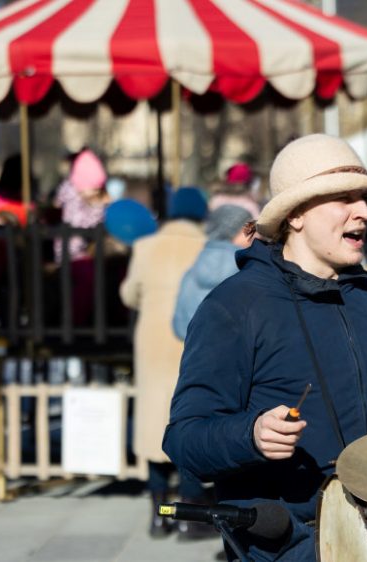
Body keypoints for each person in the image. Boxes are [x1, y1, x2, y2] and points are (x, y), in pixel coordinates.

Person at [162, 134, 367, 561]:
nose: (364, 211)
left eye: (364, 198)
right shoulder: (234, 306)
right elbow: (184, 440)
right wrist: (250, 435)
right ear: (296, 215)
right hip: (286, 548)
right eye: (344, 198)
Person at [119, 187, 210, 539]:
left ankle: (158, 516)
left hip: (153, 340)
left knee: (152, 425)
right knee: (188, 417)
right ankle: (190, 513)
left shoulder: (145, 246)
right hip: (193, 338)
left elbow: (129, 293)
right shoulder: (205, 245)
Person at [172, 203, 253, 340]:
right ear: (236, 231)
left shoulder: (194, 267)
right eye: (250, 228)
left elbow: (180, 324)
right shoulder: (248, 267)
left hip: (196, 350)